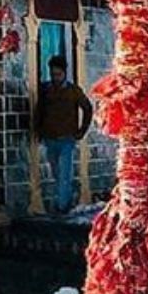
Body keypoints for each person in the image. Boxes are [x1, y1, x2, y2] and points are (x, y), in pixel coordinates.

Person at [33, 55, 93, 214]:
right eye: (53, 74)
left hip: (67, 138)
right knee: (57, 173)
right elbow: (39, 112)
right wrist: (38, 130)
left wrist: (81, 130)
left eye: (58, 74)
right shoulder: (46, 90)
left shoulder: (73, 91)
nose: (55, 78)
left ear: (64, 73)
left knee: (64, 173)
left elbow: (87, 108)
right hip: (50, 137)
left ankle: (62, 206)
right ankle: (65, 199)